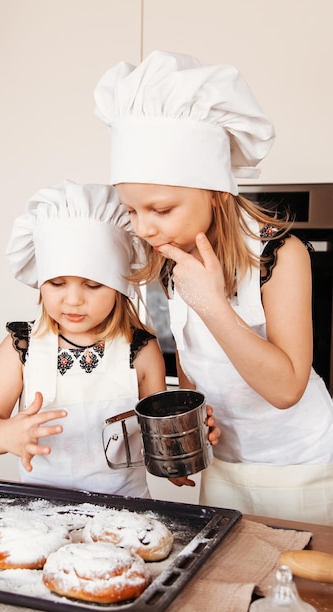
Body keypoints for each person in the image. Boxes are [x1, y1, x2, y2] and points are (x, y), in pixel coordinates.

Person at [93, 50, 333, 524]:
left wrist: (212, 304)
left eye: (161, 209)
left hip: (302, 466)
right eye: (133, 210)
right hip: (226, 466)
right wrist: (192, 427)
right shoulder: (172, 257)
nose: (144, 228)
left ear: (216, 191)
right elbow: (191, 353)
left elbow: (286, 388)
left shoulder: (280, 256)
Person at [0, 179, 218, 498]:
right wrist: (4, 435)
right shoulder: (22, 347)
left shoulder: (140, 350)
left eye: (93, 285)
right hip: (42, 508)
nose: (73, 300)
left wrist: (175, 454)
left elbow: (159, 428)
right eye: (57, 283)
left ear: (118, 286)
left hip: (126, 509)